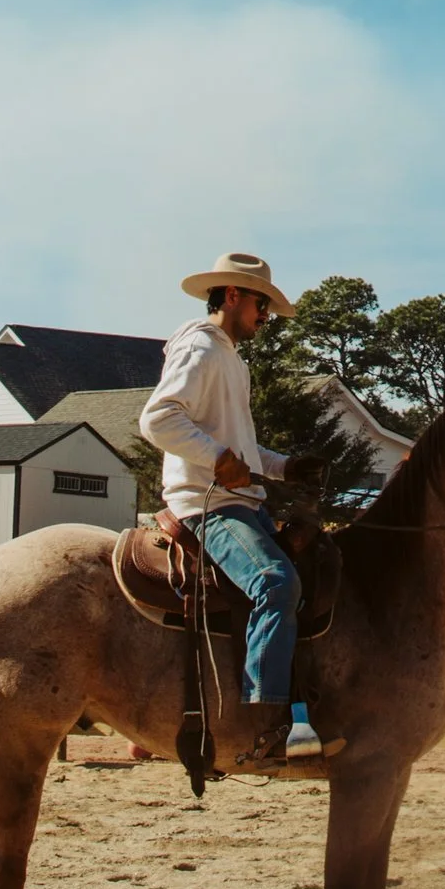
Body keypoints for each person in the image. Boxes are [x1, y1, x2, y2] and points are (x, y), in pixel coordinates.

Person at [138, 254, 339, 765]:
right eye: (260, 304)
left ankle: (302, 711)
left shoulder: (231, 358)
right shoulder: (201, 347)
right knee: (276, 583)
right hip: (208, 507)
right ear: (232, 295)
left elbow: (243, 453)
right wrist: (218, 459)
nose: (265, 316)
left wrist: (287, 466)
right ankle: (267, 726)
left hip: (238, 501)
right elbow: (158, 420)